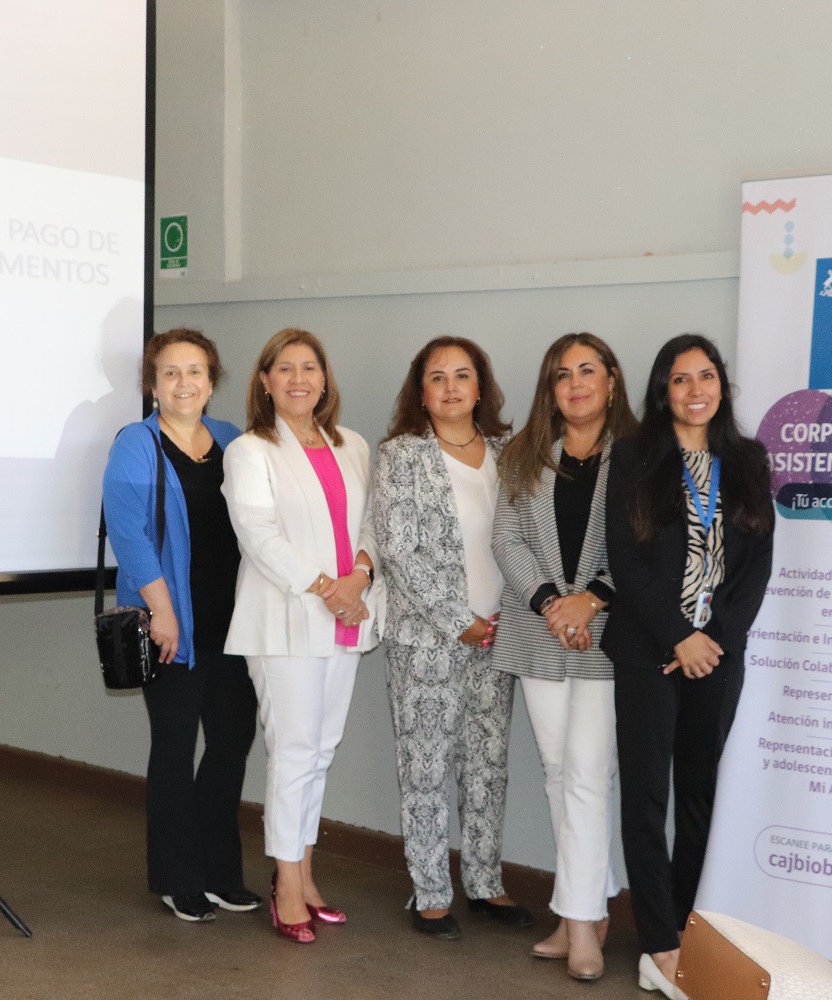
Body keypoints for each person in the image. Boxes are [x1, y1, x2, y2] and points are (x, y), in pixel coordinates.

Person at [602, 334, 774, 999]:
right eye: (680, 379)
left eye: (706, 376)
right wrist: (678, 637)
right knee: (647, 797)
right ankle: (658, 944)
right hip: (649, 650)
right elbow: (626, 559)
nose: (695, 390)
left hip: (718, 655)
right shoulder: (633, 457)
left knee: (701, 795)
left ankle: (682, 922)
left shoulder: (748, 459)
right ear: (662, 390)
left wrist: (713, 641)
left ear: (721, 386)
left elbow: (757, 563)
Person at [372, 336, 533, 942]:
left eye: (462, 375)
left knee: (488, 765)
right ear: (420, 392)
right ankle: (431, 893)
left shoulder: (508, 452)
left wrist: (503, 618)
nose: (450, 387)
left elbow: (527, 537)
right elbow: (398, 549)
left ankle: (485, 883)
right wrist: (455, 618)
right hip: (427, 638)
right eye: (436, 377)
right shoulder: (401, 455)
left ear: (480, 386)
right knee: (426, 766)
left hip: (500, 632)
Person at [222, 327, 379, 945]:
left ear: (324, 378)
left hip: (346, 615)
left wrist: (359, 576)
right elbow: (258, 535)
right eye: (284, 368)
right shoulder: (250, 451)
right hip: (286, 618)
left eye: (309, 367)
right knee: (292, 751)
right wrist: (327, 587)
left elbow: (371, 524)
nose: (298, 378)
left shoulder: (352, 444)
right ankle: (286, 886)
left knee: (320, 751)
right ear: (265, 381)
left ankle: (306, 875)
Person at [491, 332, 638, 980]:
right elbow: (507, 539)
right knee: (560, 773)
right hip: (539, 630)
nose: (575, 383)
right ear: (549, 389)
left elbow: (648, 542)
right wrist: (555, 604)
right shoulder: (525, 453)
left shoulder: (640, 455)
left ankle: (580, 926)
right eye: (561, 374)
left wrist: (590, 601)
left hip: (610, 633)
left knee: (586, 774)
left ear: (611, 380)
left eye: (587, 370)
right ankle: (587, 910)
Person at [101, 328, 261, 923]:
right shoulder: (136, 444)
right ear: (153, 384)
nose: (183, 383)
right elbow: (130, 534)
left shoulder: (232, 439)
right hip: (171, 623)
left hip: (234, 623)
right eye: (170, 372)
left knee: (230, 743)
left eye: (195, 371)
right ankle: (178, 878)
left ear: (212, 381)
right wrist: (163, 612)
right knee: (174, 746)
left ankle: (221, 873)